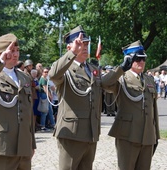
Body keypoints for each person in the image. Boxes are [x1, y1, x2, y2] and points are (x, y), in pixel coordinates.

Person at [48, 25, 136, 170]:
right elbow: (53, 75)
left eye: (87, 44)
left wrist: (121, 68)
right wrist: (72, 53)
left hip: (91, 132)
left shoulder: (92, 69)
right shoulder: (65, 68)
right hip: (72, 134)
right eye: (80, 43)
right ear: (69, 46)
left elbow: (105, 84)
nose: (84, 47)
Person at [107, 40, 160, 170]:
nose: (142, 62)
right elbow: (104, 84)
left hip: (147, 136)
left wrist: (156, 135)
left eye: (143, 59)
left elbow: (154, 109)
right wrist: (120, 68)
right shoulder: (121, 78)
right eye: (138, 59)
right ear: (129, 60)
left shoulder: (149, 79)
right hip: (128, 135)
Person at [0, 33, 36, 170]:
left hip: (24, 146)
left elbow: (28, 113)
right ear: (0, 53)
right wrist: (0, 62)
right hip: (3, 147)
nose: (15, 54)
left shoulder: (24, 77)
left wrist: (32, 144)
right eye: (11, 50)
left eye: (17, 50)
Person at [39, 67, 55, 131]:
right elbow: (45, 89)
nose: (46, 73)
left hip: (46, 95)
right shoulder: (43, 79)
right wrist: (50, 96)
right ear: (42, 73)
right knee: (44, 112)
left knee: (50, 111)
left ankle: (53, 124)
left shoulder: (46, 79)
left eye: (47, 72)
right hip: (44, 96)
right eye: (45, 72)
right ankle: (42, 126)